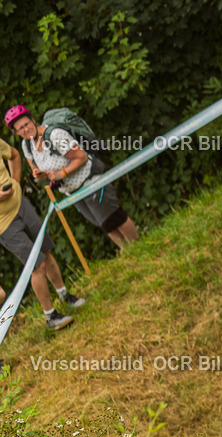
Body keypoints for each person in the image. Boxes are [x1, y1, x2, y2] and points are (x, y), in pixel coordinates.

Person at [5, 105, 139, 251]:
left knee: (114, 217)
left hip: (89, 180)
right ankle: (128, 253)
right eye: (20, 128)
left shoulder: (55, 136)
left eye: (26, 124)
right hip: (72, 192)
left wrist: (61, 174)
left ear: (32, 120)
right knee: (104, 224)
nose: (26, 129)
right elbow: (36, 169)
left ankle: (139, 247)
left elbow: (81, 157)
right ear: (16, 132)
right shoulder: (27, 145)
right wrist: (41, 175)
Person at [0, 135, 83, 331]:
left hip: (21, 206)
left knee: (45, 251)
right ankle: (51, 317)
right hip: (4, 225)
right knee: (36, 266)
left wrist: (16, 183)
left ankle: (65, 295)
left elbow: (14, 155)